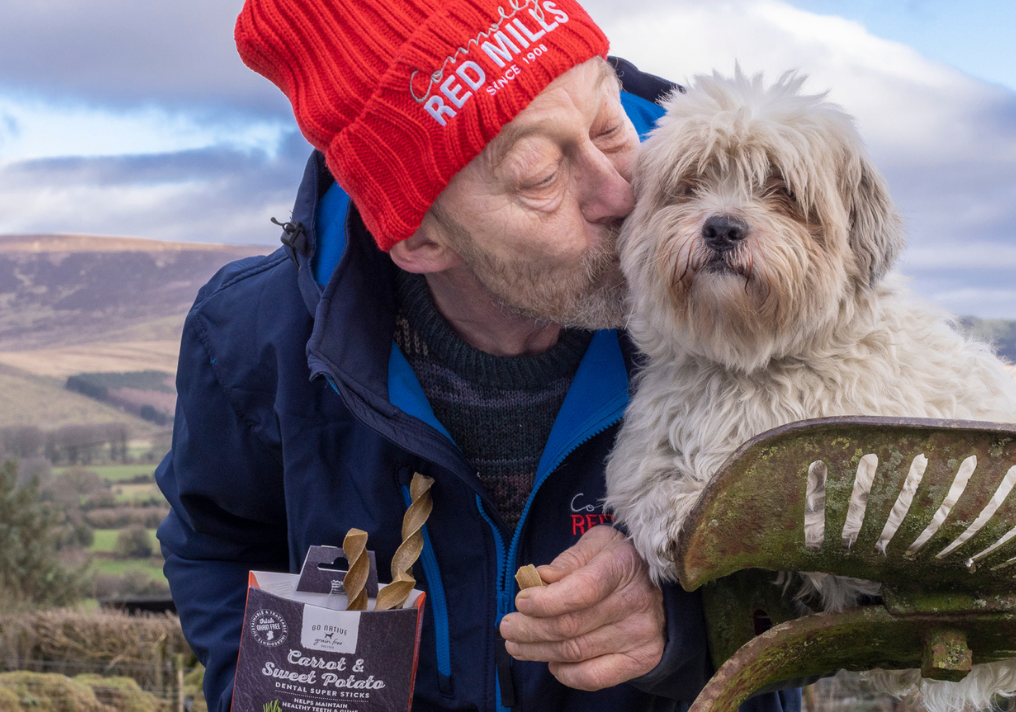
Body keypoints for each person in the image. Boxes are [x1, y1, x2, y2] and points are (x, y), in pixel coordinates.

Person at [157, 1, 799, 711]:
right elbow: (217, 548)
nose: (619, 193)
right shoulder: (250, 341)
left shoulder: (766, 281)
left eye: (609, 125)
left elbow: (869, 577)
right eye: (538, 178)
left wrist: (689, 625)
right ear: (421, 240)